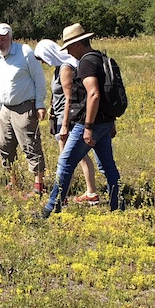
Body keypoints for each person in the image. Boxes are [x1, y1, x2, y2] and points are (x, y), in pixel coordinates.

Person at [41, 24, 122, 218]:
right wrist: (111, 122)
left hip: (90, 123)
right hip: (104, 122)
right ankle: (117, 205)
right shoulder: (101, 58)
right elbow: (107, 92)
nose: (68, 51)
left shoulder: (86, 63)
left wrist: (87, 127)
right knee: (107, 165)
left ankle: (52, 208)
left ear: (78, 43)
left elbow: (94, 94)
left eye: (69, 46)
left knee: (65, 162)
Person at [34, 39, 100, 205]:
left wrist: (64, 125)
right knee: (76, 156)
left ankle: (62, 196)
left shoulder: (65, 67)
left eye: (43, 58)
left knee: (68, 158)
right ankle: (90, 192)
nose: (43, 62)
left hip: (68, 119)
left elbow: (69, 98)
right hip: (62, 116)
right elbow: (59, 95)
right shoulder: (61, 66)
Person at [0, 23, 47, 197]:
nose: (0, 43)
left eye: (3, 39)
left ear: (10, 38)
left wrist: (40, 104)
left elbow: (39, 78)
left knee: (30, 145)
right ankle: (13, 180)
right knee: (4, 145)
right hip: (5, 109)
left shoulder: (25, 52)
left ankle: (39, 186)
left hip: (25, 107)